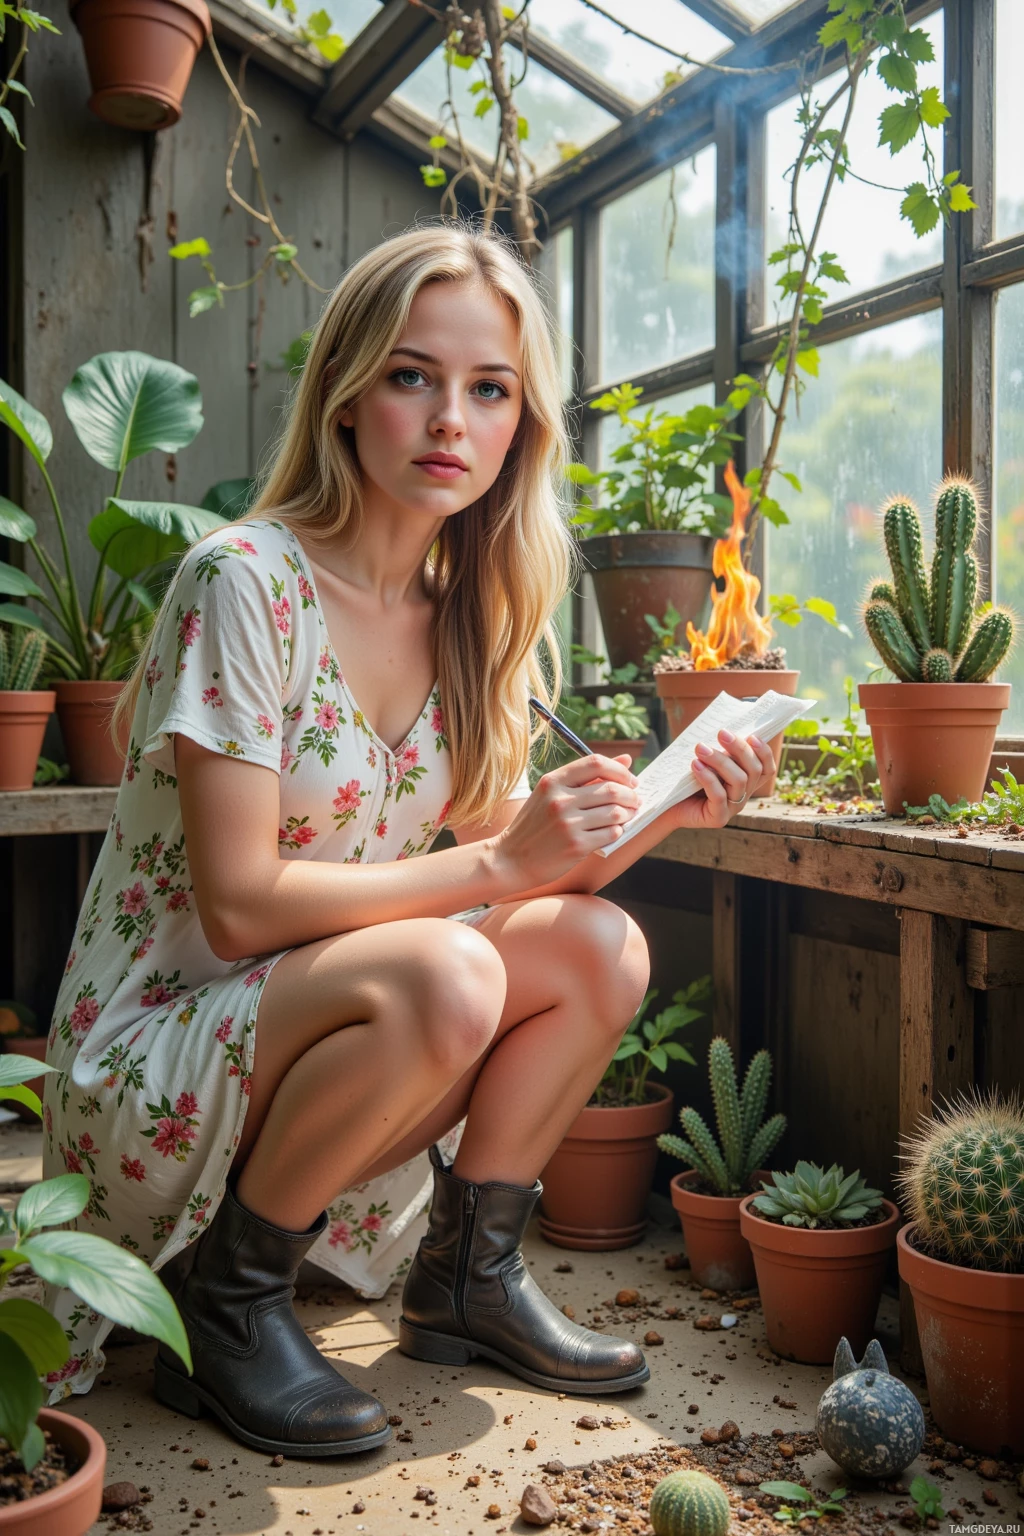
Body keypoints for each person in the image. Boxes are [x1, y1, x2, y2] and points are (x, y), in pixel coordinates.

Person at [41, 221, 774, 1457]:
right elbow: (238, 907)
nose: (451, 418)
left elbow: (524, 869)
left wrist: (677, 804)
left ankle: (466, 1281)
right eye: (411, 375)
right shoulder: (244, 582)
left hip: (324, 1034)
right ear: (345, 393)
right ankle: (228, 1304)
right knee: (452, 962)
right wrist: (496, 868)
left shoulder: (468, 615)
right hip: (155, 1060)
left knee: (600, 947)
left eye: (489, 389)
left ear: (519, 427)